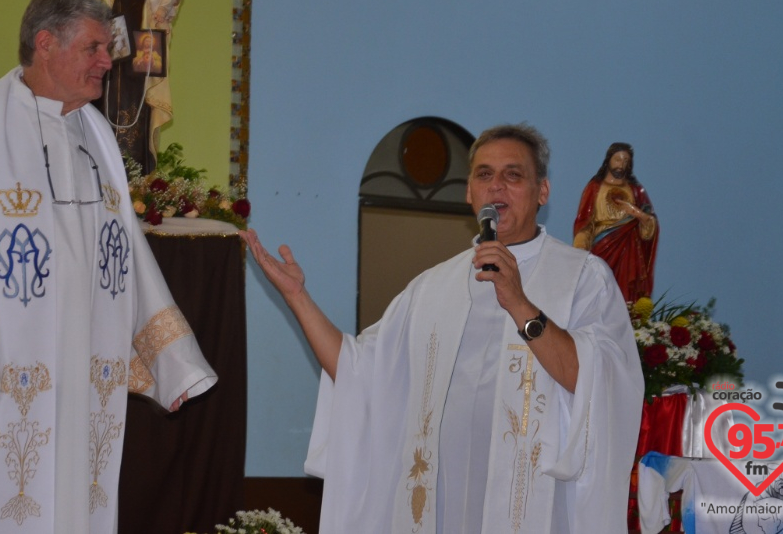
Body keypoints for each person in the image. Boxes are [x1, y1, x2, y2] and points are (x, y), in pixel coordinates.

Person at [0, 0, 216, 534]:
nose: (106, 61)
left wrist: (170, 359)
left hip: (79, 369)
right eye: (92, 47)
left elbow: (127, 254)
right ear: (45, 43)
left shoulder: (96, 137)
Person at [241, 124, 643, 533]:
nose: (496, 187)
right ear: (469, 192)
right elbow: (358, 372)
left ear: (542, 192)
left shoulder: (583, 277)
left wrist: (519, 303)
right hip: (438, 503)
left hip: (535, 505)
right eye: (484, 175)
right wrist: (296, 297)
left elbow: (599, 380)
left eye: (513, 175)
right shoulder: (433, 286)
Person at [77, 0, 171, 173]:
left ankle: (135, 177)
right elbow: (81, 6)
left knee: (139, 106)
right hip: (111, 44)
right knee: (103, 99)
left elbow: (164, 1)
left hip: (144, 46)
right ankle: (101, 171)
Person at [572, 142, 658, 303]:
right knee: (599, 288)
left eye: (626, 161)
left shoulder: (636, 190)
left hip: (629, 248)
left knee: (625, 291)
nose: (621, 164)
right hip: (601, 246)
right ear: (608, 160)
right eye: (618, 159)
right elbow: (584, 220)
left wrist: (634, 211)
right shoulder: (595, 187)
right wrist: (580, 248)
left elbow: (650, 225)